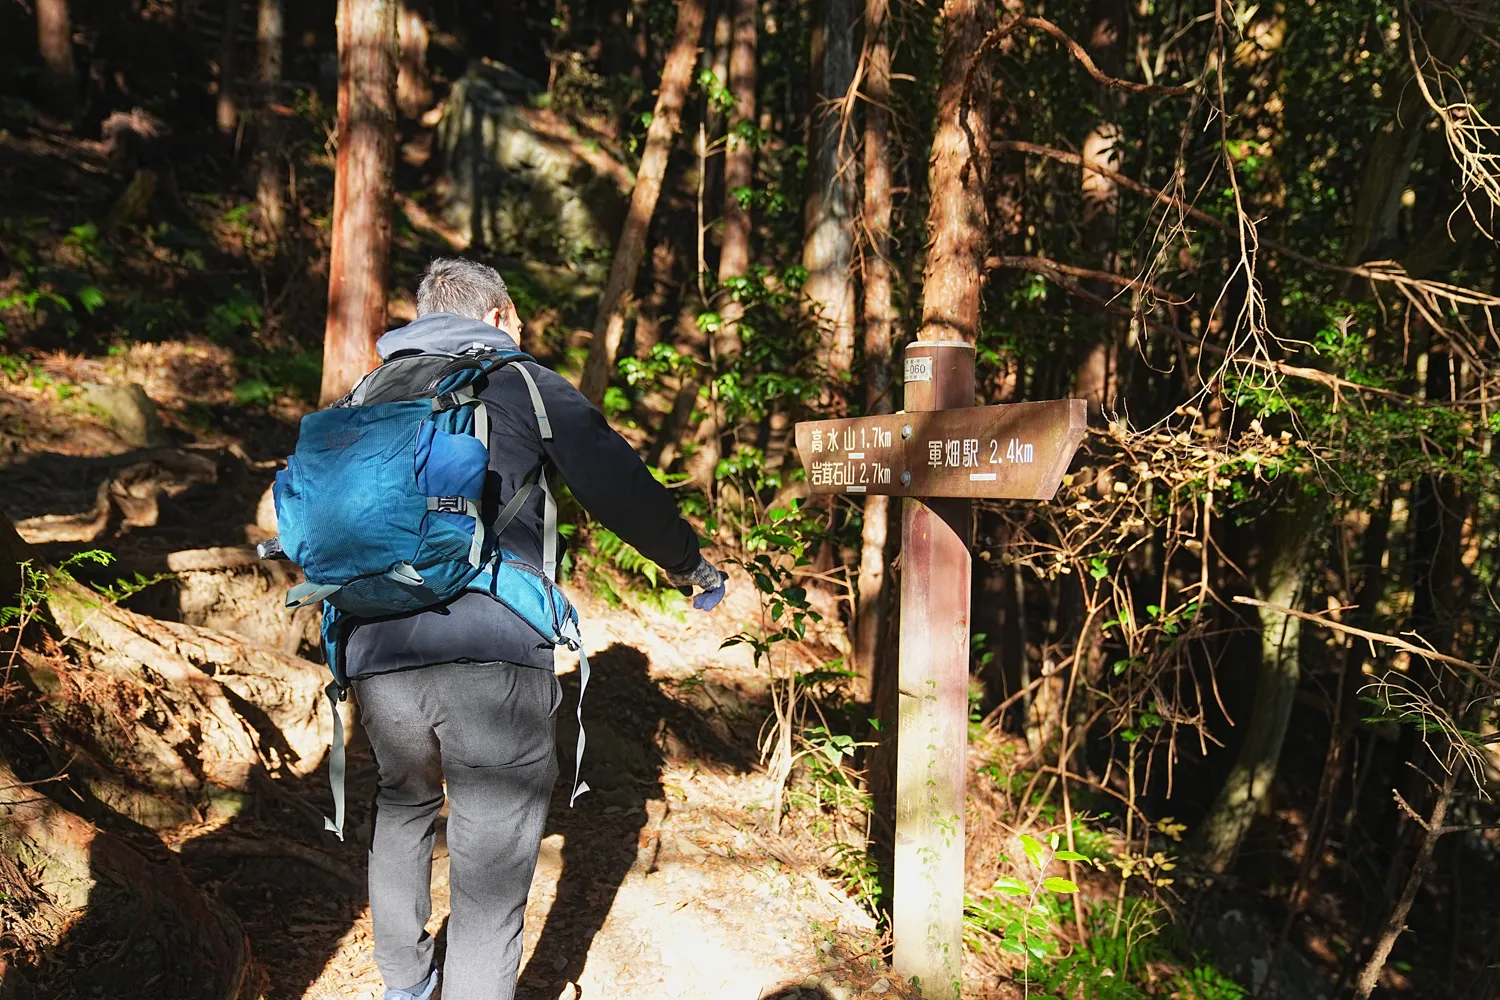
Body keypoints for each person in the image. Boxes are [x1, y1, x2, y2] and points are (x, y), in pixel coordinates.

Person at [344, 257, 727, 1000]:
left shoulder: (371, 389)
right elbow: (618, 483)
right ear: (496, 316)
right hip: (492, 645)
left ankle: (405, 987)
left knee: (403, 802)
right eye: (516, 319)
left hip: (377, 644)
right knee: (489, 837)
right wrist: (690, 565)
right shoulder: (519, 380)